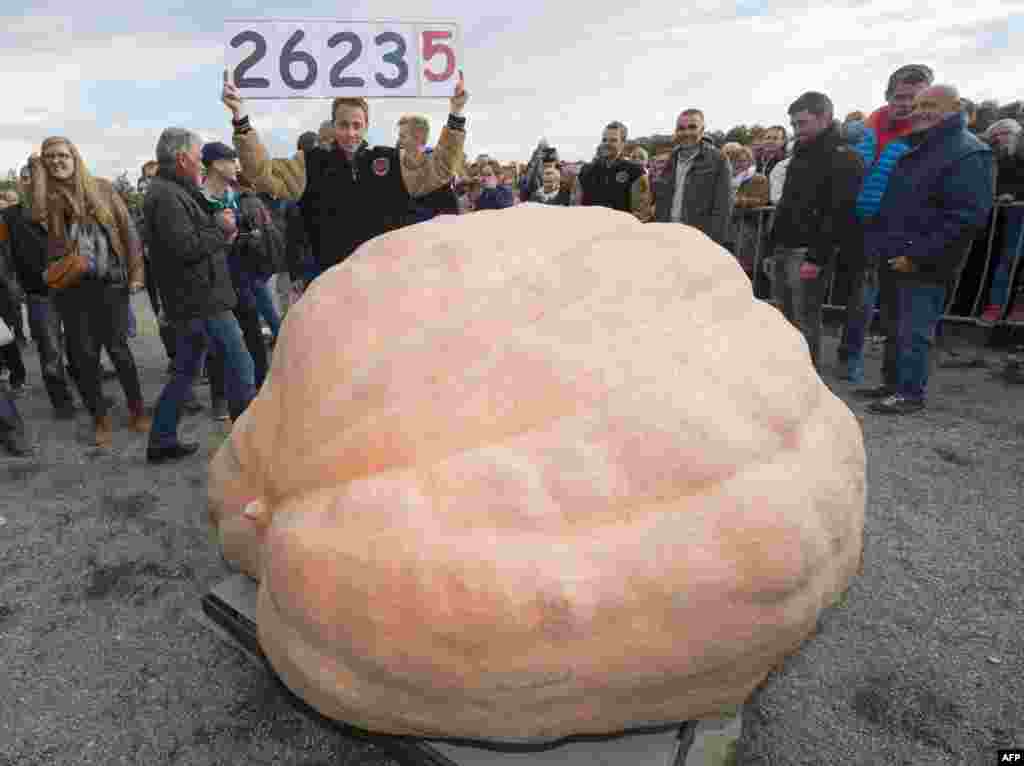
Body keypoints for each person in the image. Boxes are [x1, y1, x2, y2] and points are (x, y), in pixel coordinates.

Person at [221, 70, 468, 283]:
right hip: (333, 285)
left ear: (366, 125)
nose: (350, 133)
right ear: (334, 125)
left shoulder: (392, 160)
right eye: (343, 125)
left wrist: (456, 113)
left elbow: (439, 170)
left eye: (357, 125)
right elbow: (261, 174)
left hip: (388, 280)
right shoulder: (310, 163)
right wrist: (240, 117)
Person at [857, 85, 994, 415]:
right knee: (893, 325)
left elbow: (965, 218)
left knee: (914, 329)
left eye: (931, 104)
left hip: (925, 262)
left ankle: (909, 393)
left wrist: (917, 256)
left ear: (955, 107)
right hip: (895, 255)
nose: (920, 111)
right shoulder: (917, 148)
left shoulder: (969, 152)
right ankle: (892, 384)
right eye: (918, 105)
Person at [144, 127, 256, 463]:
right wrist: (221, 231)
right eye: (197, 157)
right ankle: (249, 449)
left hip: (194, 298)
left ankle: (161, 440)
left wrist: (215, 224)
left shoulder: (171, 190)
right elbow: (185, 248)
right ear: (182, 159)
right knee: (241, 365)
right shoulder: (166, 195)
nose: (201, 164)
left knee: (186, 371)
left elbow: (188, 238)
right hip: (200, 300)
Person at [35, 137, 150, 448]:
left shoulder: (102, 188)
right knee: (84, 357)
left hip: (109, 283)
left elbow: (128, 231)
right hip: (71, 288)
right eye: (49, 157)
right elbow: (36, 216)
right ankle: (99, 419)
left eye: (62, 155)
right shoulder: (47, 196)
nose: (56, 161)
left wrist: (137, 273)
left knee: (119, 351)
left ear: (75, 157)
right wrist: (41, 177)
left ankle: (137, 410)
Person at [841, 64, 934, 383]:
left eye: (914, 98)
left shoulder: (924, 137)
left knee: (882, 300)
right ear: (888, 96)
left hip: (896, 228)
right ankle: (848, 355)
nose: (906, 104)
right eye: (900, 97)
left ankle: (884, 373)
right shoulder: (864, 129)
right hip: (855, 223)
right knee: (855, 295)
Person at [768, 92, 864, 371]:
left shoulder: (844, 157)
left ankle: (805, 374)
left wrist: (817, 257)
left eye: (802, 123)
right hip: (784, 245)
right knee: (784, 315)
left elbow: (838, 213)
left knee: (805, 317)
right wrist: (772, 245)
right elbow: (787, 204)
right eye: (793, 124)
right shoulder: (800, 152)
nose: (797, 130)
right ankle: (787, 367)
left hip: (808, 251)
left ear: (825, 118)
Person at [0, 162, 77, 418]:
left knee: (81, 347)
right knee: (50, 351)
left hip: (72, 290)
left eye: (37, 177)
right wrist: (11, 282)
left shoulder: (63, 208)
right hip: (39, 295)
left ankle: (90, 394)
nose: (32, 182)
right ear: (21, 183)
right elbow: (2, 253)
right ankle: (62, 403)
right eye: (26, 178)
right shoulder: (9, 217)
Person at [650, 109, 733, 245]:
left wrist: (713, 242)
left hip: (699, 237)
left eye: (692, 127)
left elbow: (723, 207)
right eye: (681, 128)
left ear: (702, 130)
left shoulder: (719, 160)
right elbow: (661, 197)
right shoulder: (671, 159)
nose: (686, 132)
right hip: (667, 234)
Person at [978, 119, 1024, 323]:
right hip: (1014, 219)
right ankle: (996, 307)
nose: (1000, 138)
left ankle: (1017, 308)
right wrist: (1003, 195)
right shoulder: (1001, 159)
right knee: (1008, 260)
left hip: (1017, 214)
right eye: (996, 135)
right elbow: (997, 184)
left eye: (1005, 133)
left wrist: (1014, 195)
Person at [575, 121, 650, 221]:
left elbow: (641, 214)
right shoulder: (585, 171)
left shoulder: (635, 172)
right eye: (604, 140)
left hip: (620, 229)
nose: (607, 143)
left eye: (613, 140)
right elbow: (576, 208)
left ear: (623, 143)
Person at [398, 114, 460, 225]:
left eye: (403, 136)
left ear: (418, 137)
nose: (399, 141)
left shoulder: (439, 168)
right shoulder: (397, 165)